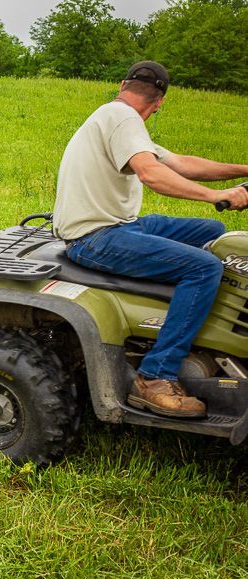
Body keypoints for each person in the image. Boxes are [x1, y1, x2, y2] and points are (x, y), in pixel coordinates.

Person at [52, 60, 248, 418]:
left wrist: (244, 171)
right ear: (160, 102)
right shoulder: (122, 118)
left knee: (213, 231)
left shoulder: (117, 118)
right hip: (96, 237)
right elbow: (151, 174)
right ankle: (156, 376)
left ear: (123, 84)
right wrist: (215, 195)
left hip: (123, 225)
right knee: (204, 268)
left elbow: (182, 163)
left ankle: (191, 314)